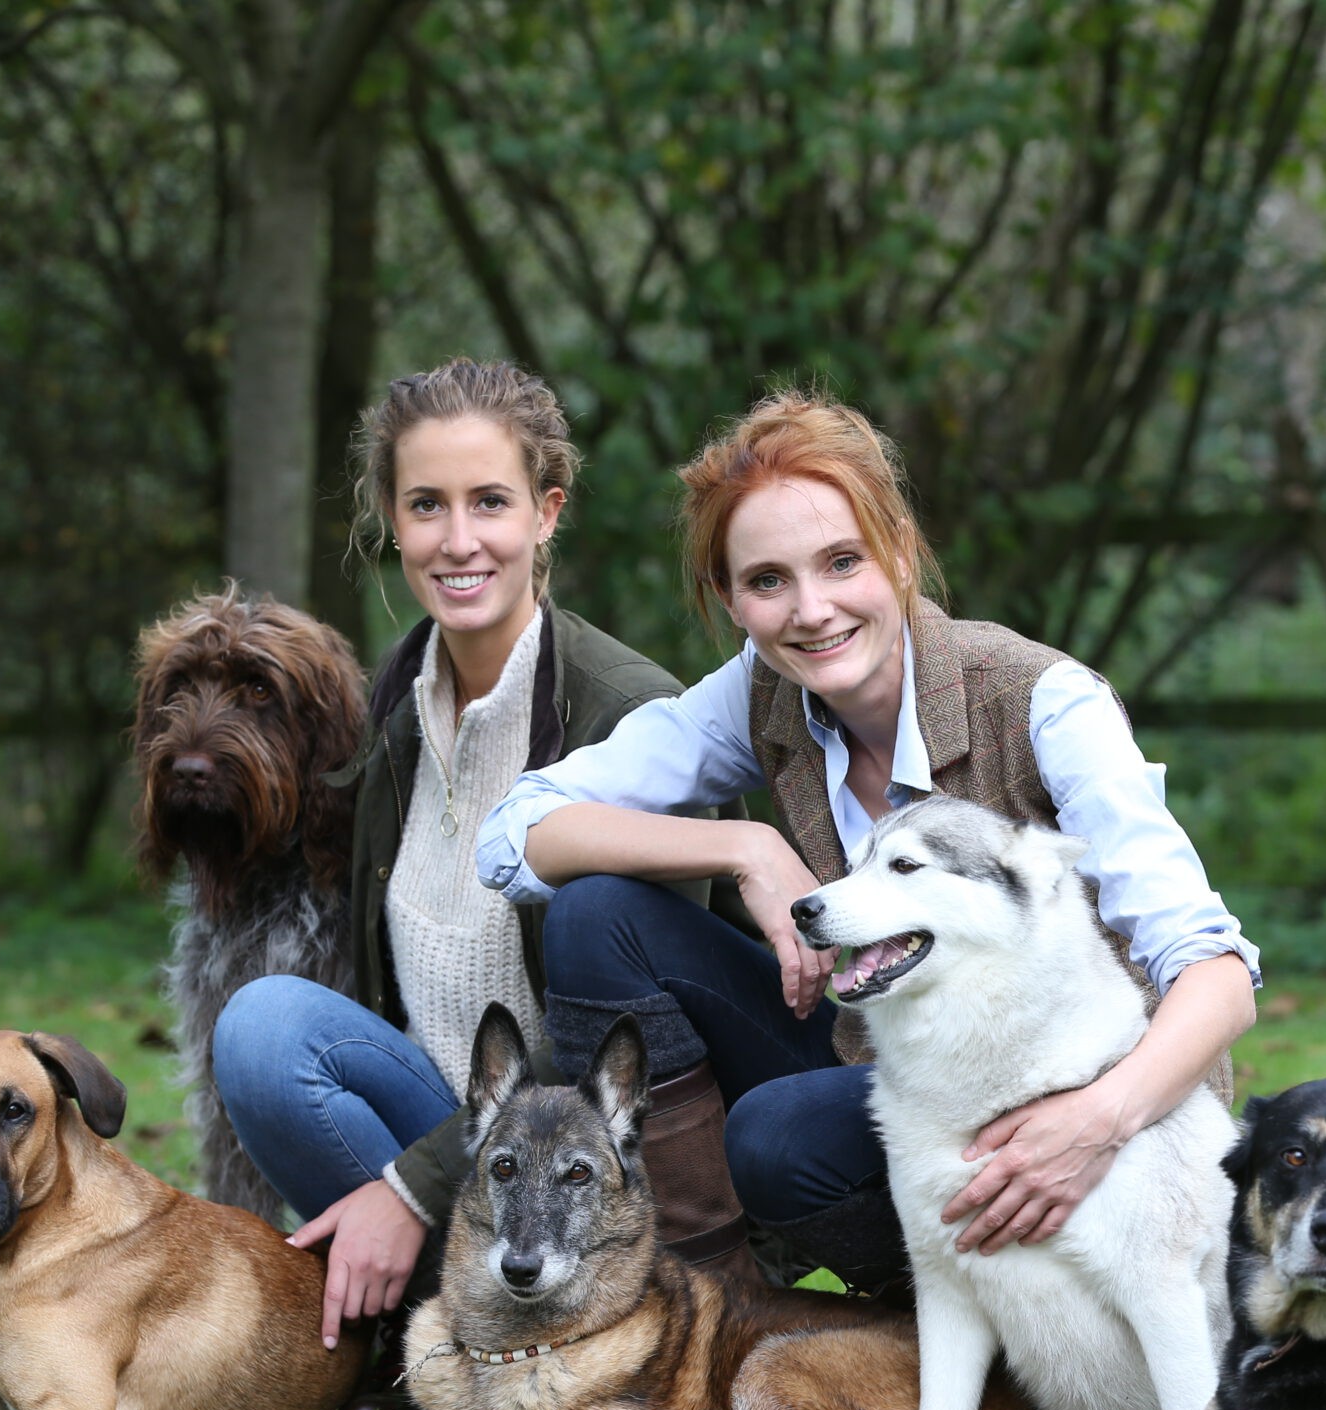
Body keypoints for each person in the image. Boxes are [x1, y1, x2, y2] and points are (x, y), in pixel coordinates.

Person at [473, 391, 1259, 1292]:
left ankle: (995, 1343)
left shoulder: (1041, 701)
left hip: (1089, 1114)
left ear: (898, 550)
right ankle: (712, 1311)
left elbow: (1217, 974)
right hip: (900, 1071)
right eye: (767, 580)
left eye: (842, 561)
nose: (812, 610)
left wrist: (1096, 1118)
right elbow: (514, 834)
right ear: (731, 598)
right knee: (598, 915)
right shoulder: (763, 694)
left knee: (781, 1137)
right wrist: (747, 852)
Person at [210, 358, 745, 1358]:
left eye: (489, 502)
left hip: (583, 1153)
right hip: (447, 1115)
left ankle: (487, 1327)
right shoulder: (398, 704)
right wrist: (406, 1174)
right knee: (262, 1029)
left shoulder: (623, 715)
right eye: (426, 505)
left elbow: (626, 1035)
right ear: (390, 519)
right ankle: (434, 1329)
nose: (458, 541)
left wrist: (412, 1186)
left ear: (546, 513)